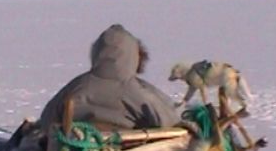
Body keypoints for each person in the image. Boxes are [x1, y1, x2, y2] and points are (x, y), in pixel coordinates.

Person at [38, 23, 179, 130]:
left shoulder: (77, 86)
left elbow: (46, 120)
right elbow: (169, 121)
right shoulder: (138, 92)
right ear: (134, 56)